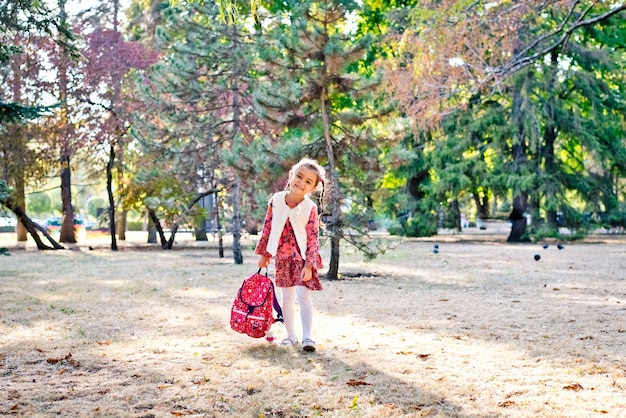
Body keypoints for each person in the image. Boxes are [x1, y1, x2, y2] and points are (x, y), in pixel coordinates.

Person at [255, 158, 326, 352]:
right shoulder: (277, 200)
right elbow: (268, 227)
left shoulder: (310, 207)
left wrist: (309, 266)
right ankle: (290, 335)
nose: (301, 183)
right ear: (291, 176)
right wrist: (264, 253)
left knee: (304, 297)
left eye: (308, 181)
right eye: (299, 176)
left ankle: (308, 337)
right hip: (283, 259)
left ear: (313, 188)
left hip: (302, 260)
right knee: (287, 299)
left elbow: (313, 239)